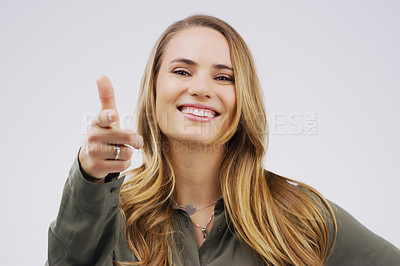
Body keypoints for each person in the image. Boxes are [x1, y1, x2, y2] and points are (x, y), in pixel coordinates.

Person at [47, 15, 400, 266]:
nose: (201, 88)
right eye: (182, 71)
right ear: (153, 90)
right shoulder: (108, 214)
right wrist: (89, 175)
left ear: (242, 99)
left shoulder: (302, 215)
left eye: (224, 77)